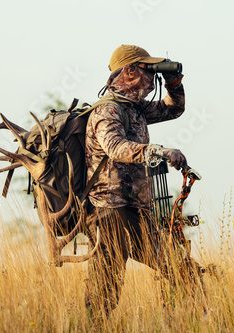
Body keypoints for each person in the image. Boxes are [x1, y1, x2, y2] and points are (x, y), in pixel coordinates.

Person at [83, 45, 203, 320]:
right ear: (128, 71)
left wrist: (173, 84)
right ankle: (92, 326)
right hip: (109, 208)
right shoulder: (108, 111)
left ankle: (194, 320)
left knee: (176, 263)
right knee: (107, 278)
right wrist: (159, 151)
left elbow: (174, 109)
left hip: (136, 207)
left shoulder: (135, 109)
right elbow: (115, 147)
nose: (152, 77)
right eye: (148, 70)